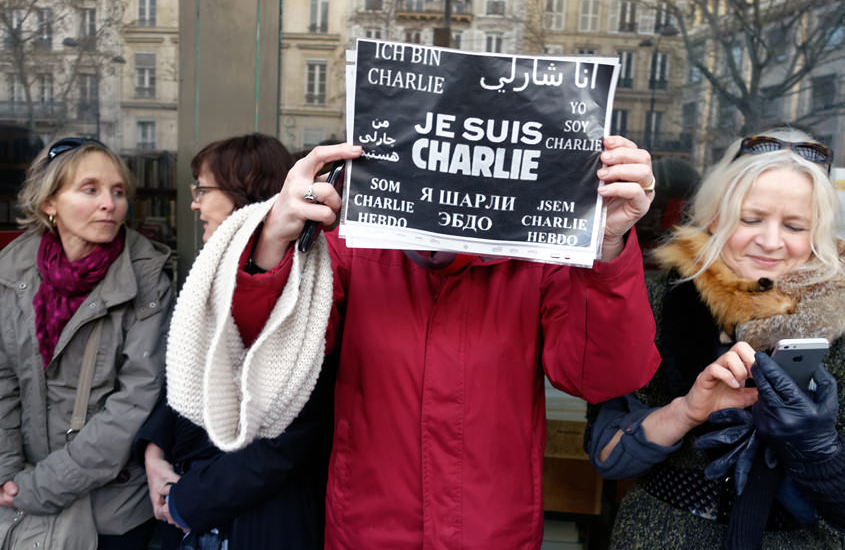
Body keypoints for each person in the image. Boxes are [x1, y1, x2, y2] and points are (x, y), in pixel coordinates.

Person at [165, 134, 663, 548]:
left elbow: (601, 377)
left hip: (493, 533)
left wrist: (609, 247)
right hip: (367, 530)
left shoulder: (537, 256)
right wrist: (274, 238)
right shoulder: (353, 245)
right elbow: (266, 360)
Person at [585, 127, 845, 549]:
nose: (771, 241)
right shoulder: (661, 303)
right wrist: (686, 411)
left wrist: (819, 449)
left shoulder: (839, 319)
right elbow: (606, 454)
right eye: (751, 218)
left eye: (795, 225)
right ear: (715, 217)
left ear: (818, 235)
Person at [134, 133, 334, 549]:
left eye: (203, 189)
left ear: (242, 190)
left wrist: (186, 501)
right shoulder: (211, 273)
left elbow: (289, 433)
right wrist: (155, 449)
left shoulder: (307, 279)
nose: (194, 203)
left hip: (258, 519)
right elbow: (191, 376)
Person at [0, 137, 174, 548]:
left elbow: (136, 402)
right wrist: (8, 475)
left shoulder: (148, 281)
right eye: (90, 189)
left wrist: (41, 487)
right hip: (20, 497)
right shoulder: (12, 273)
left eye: (117, 192)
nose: (109, 204)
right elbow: (3, 380)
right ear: (49, 203)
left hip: (110, 511)